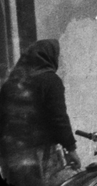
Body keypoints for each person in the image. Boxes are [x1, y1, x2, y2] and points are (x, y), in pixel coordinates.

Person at [0, 39, 78, 186]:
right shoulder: (50, 81)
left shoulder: (9, 84)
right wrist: (71, 149)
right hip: (40, 156)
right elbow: (59, 118)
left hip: (12, 157)